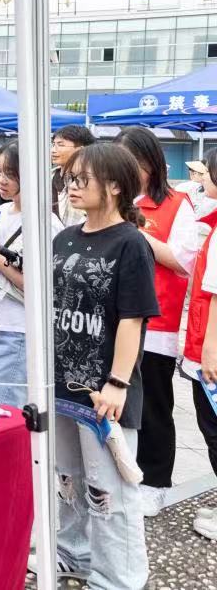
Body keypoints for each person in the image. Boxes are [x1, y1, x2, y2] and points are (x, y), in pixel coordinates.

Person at [52, 142, 157, 588]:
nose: (72, 187)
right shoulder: (64, 238)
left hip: (104, 389)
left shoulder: (130, 243)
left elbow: (133, 319)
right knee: (68, 479)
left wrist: (117, 382)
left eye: (82, 179)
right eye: (70, 179)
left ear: (114, 185)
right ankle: (72, 554)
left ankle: (119, 577)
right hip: (62, 382)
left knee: (108, 489)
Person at [114, 127, 201, 518]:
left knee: (153, 406)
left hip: (157, 321)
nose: (129, 169)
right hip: (116, 318)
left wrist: (133, 232)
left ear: (151, 162)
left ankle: (156, 482)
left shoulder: (175, 204)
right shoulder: (117, 197)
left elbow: (183, 261)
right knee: (121, 403)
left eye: (134, 161)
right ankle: (124, 475)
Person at [0, 142, 63, 408]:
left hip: (15, 329)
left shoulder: (44, 223)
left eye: (10, 174)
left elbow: (38, 287)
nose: (1, 180)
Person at [180, 149, 217, 541]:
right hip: (205, 340)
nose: (201, 178)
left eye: (207, 173)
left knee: (214, 428)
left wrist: (209, 351)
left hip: (210, 347)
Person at [52, 125, 97, 227]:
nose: (53, 150)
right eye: (53, 144)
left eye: (60, 145)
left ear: (80, 150)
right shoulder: (46, 178)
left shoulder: (94, 181)